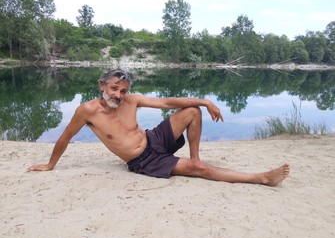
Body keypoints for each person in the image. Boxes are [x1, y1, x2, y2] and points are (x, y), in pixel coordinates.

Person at [29, 69, 290, 186]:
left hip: (154, 139)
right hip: (143, 160)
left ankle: (195, 159)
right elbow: (65, 137)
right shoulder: (87, 111)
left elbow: (167, 102)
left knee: (191, 112)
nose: (119, 95)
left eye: (123, 90)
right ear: (102, 86)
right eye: (114, 89)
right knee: (198, 171)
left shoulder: (131, 100)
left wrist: (204, 100)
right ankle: (261, 178)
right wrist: (50, 164)